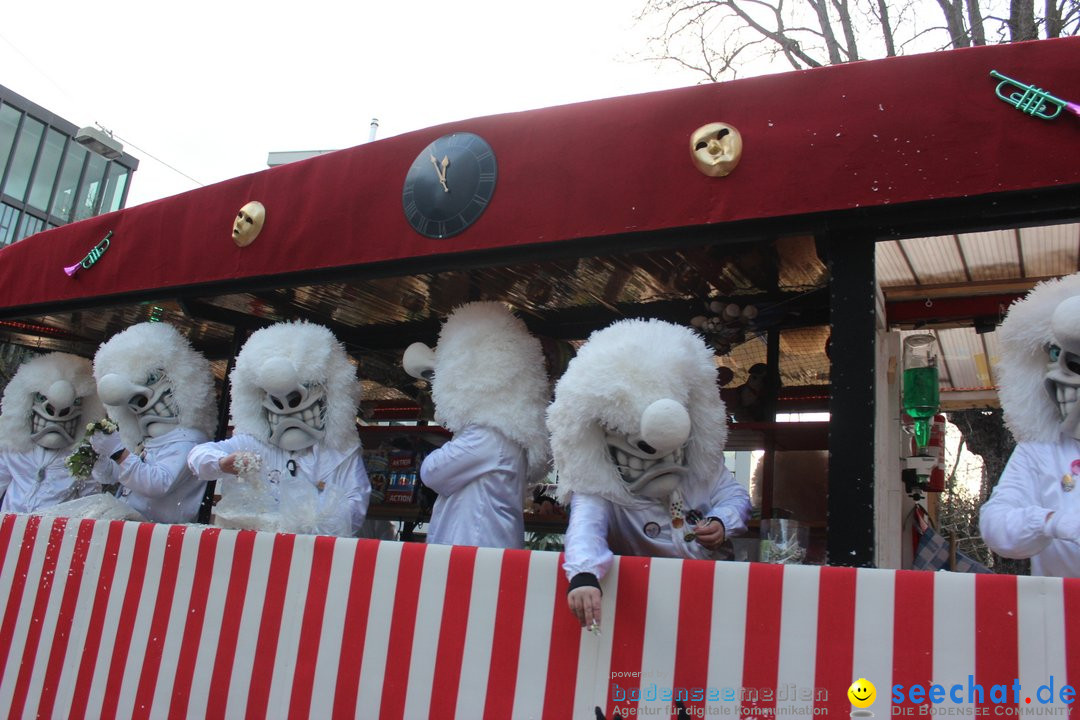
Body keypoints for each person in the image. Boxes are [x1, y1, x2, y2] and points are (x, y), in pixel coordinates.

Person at [546, 318, 752, 628]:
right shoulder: (600, 487)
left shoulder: (703, 466)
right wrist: (584, 575)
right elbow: (585, 529)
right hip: (649, 607)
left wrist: (723, 521)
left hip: (712, 596)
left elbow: (735, 496)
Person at [187, 321, 370, 536]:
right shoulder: (254, 443)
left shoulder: (339, 452)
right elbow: (197, 456)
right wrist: (221, 463)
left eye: (294, 399)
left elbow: (355, 508)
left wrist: (308, 520)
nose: (287, 410)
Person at [402, 301, 551, 549]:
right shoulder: (502, 434)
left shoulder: (489, 435)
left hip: (476, 554)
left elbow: (432, 472)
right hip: (481, 551)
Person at [981, 273, 1080, 576]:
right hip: (1062, 613)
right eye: (1057, 357)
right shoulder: (1040, 449)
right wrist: (1051, 521)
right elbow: (995, 525)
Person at [90, 322, 217, 524]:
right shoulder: (148, 440)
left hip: (163, 538)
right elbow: (116, 477)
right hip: (133, 529)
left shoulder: (190, 441)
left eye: (151, 379)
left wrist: (118, 453)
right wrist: (101, 459)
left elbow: (158, 483)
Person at [0, 352, 107, 513]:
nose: (56, 413)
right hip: (11, 526)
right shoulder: (14, 448)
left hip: (53, 531)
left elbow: (89, 502)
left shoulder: (84, 456)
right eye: (44, 400)